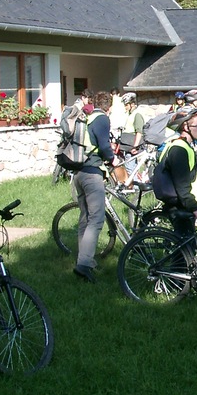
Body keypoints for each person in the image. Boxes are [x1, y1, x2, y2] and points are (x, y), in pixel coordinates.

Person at [73, 91, 121, 283]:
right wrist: (113, 159)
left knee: (85, 218)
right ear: (109, 107)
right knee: (96, 219)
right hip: (92, 173)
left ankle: (83, 259)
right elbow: (104, 146)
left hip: (78, 172)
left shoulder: (88, 117)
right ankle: (84, 265)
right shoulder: (101, 119)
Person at [154, 105, 197, 237]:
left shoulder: (181, 145)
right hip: (181, 205)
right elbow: (182, 184)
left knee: (185, 243)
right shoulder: (179, 150)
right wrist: (194, 206)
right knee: (185, 245)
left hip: (182, 203)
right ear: (185, 127)